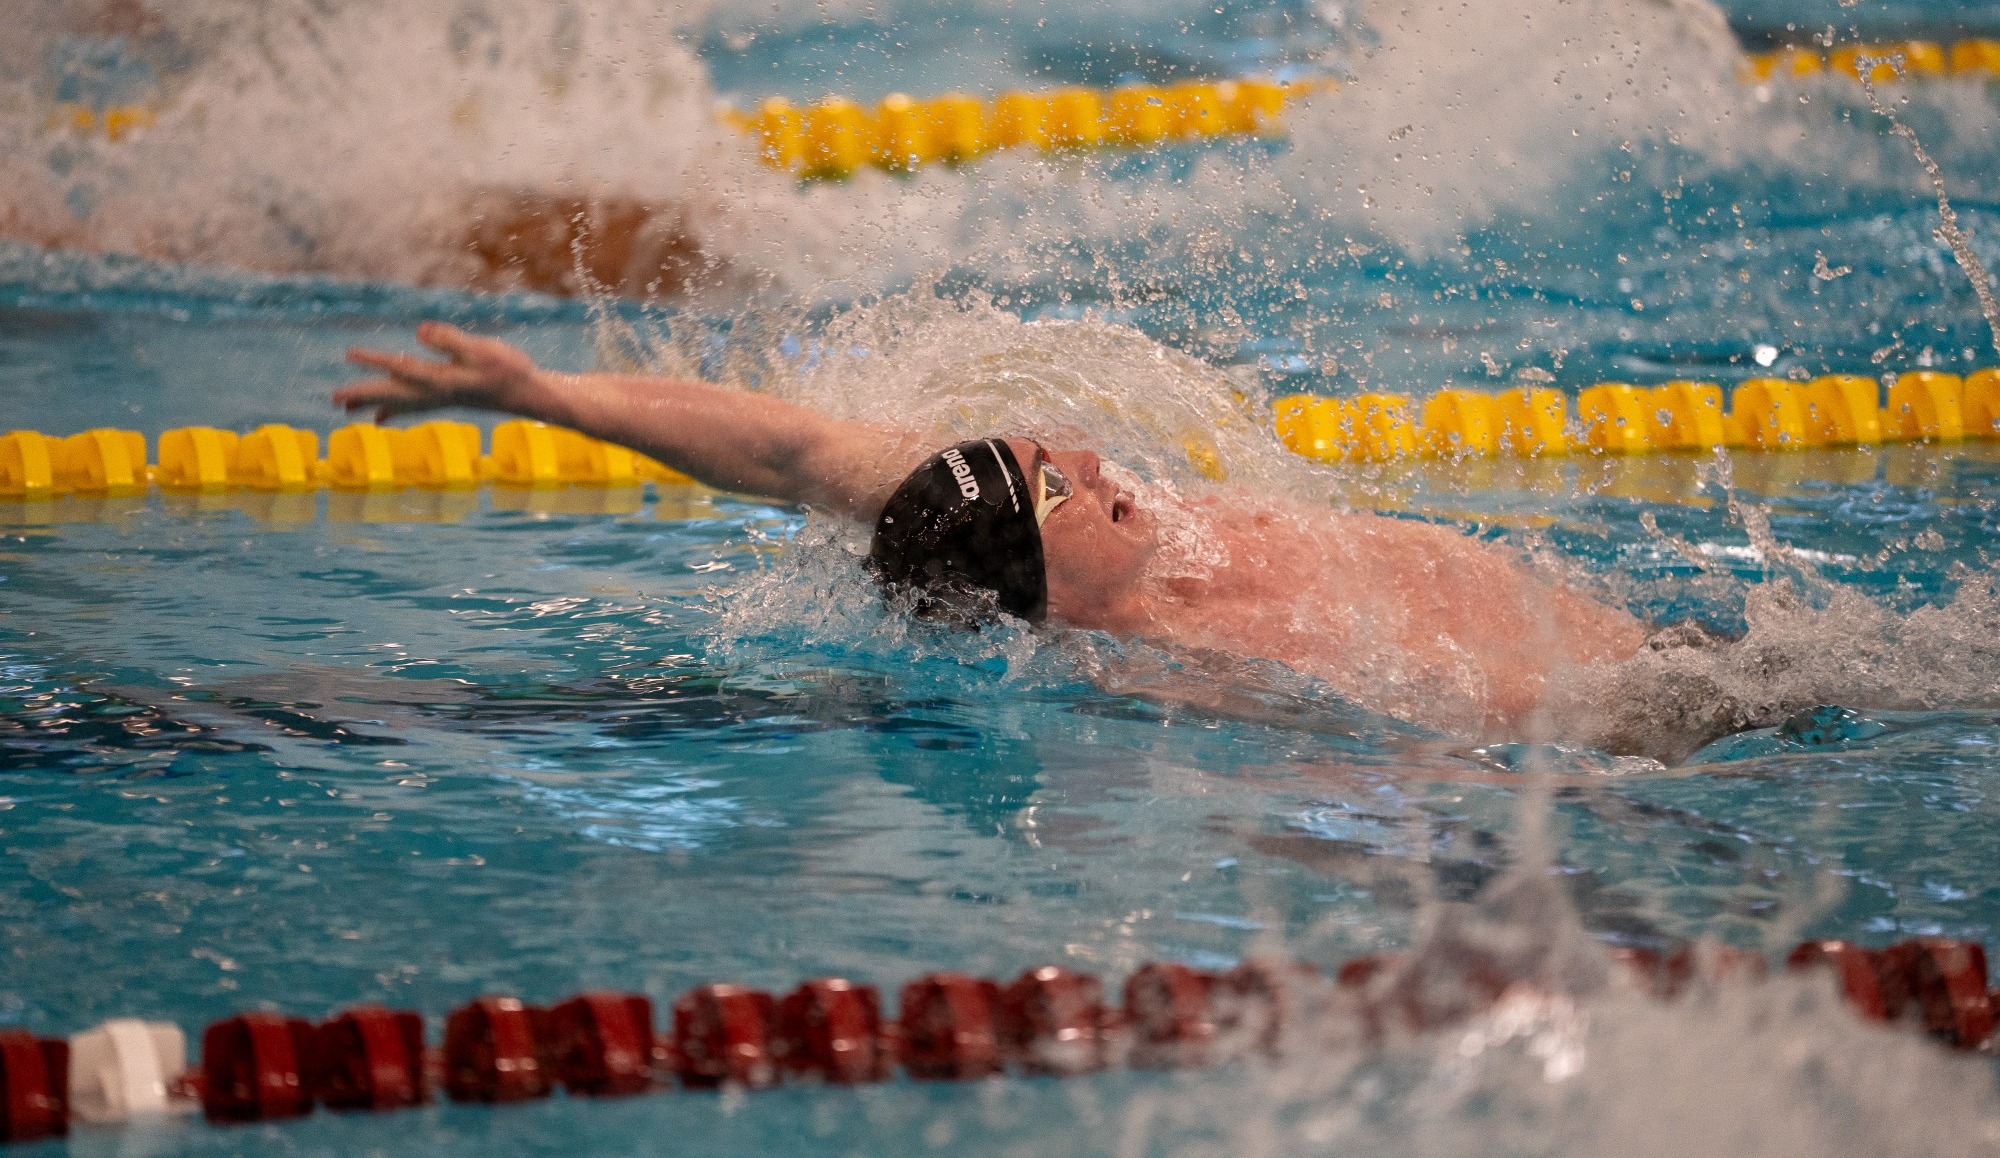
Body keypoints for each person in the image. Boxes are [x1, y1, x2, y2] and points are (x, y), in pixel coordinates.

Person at [339, 322, 1649, 740]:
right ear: (1038, 599)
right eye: (1059, 492)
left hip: (1634, 625)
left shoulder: (1000, 519)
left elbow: (785, 450)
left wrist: (545, 395)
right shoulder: (1217, 668)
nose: (1089, 460)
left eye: (1053, 462)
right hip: (1654, 710)